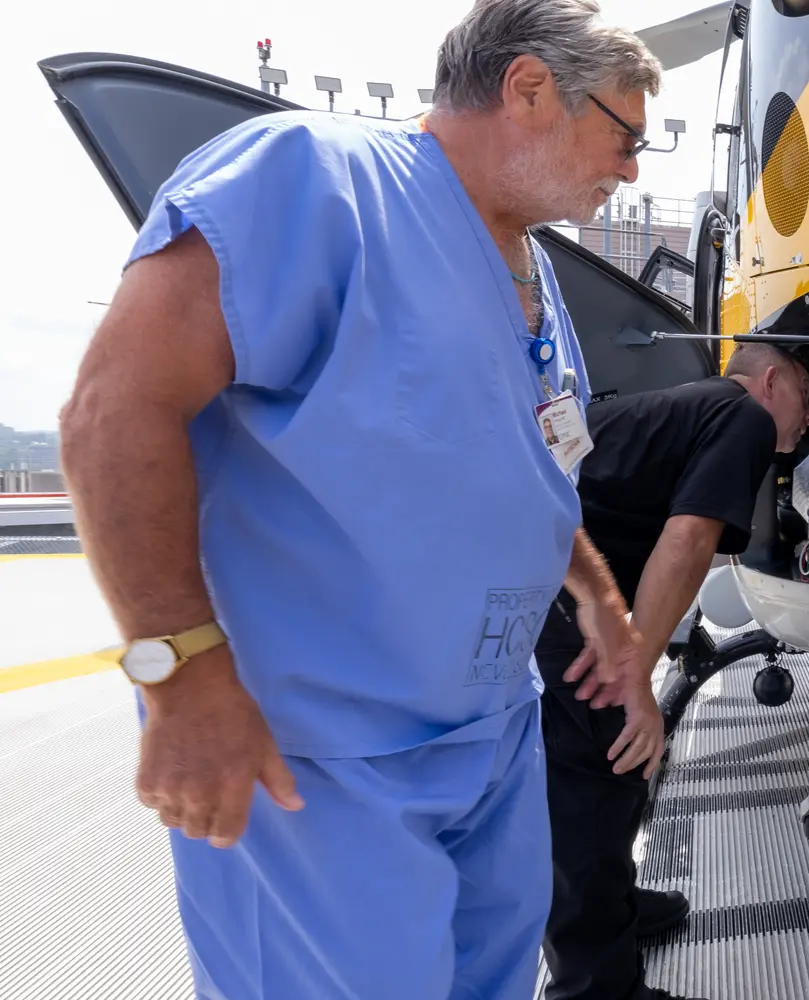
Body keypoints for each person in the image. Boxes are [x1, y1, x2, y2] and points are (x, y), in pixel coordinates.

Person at [57, 3, 663, 997]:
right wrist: (179, 673)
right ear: (528, 90)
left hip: (487, 735)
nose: (631, 168)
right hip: (319, 757)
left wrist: (598, 598)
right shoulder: (307, 181)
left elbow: (518, 468)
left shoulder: (532, 271)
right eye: (624, 135)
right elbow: (111, 412)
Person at [535, 343, 809, 1000]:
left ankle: (616, 907)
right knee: (598, 782)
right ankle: (594, 987)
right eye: (806, 395)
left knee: (617, 775)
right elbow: (687, 540)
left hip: (559, 591)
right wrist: (636, 678)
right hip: (564, 608)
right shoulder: (741, 416)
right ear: (770, 382)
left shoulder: (690, 409)